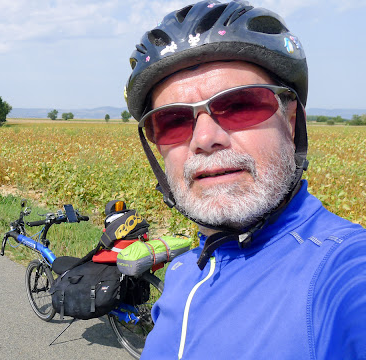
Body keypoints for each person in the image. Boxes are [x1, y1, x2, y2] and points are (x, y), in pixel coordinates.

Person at [124, 1, 366, 359]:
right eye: (172, 121)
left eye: (240, 105)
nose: (205, 139)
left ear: (290, 118)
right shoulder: (183, 273)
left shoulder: (342, 271)